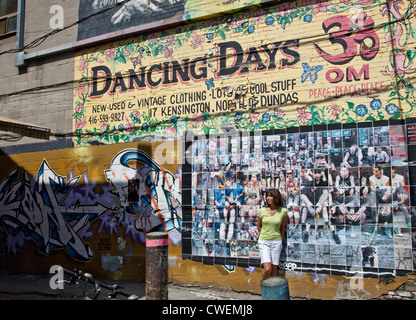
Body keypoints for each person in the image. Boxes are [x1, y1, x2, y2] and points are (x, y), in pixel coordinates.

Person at [257, 188, 288, 279]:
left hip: (276, 241)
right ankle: (265, 288)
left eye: (270, 196)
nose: (268, 198)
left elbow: (282, 228)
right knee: (267, 269)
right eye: (267, 196)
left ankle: (273, 290)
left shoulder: (283, 211)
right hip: (264, 242)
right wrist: (265, 234)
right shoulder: (262, 210)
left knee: (274, 268)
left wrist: (280, 240)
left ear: (276, 197)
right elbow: (259, 226)